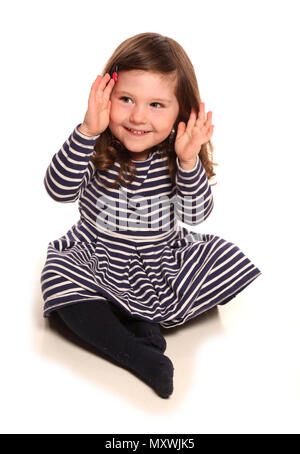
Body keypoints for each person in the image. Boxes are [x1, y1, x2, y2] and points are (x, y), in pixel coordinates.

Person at [40, 32, 262, 399]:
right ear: (105, 97)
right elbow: (57, 189)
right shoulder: (94, 145)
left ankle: (139, 316)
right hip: (97, 255)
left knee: (222, 259)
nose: (138, 116)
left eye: (156, 105)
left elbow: (197, 214)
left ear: (182, 111)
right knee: (57, 276)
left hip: (159, 259)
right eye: (126, 99)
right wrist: (86, 131)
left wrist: (189, 160)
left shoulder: (176, 156)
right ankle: (134, 352)